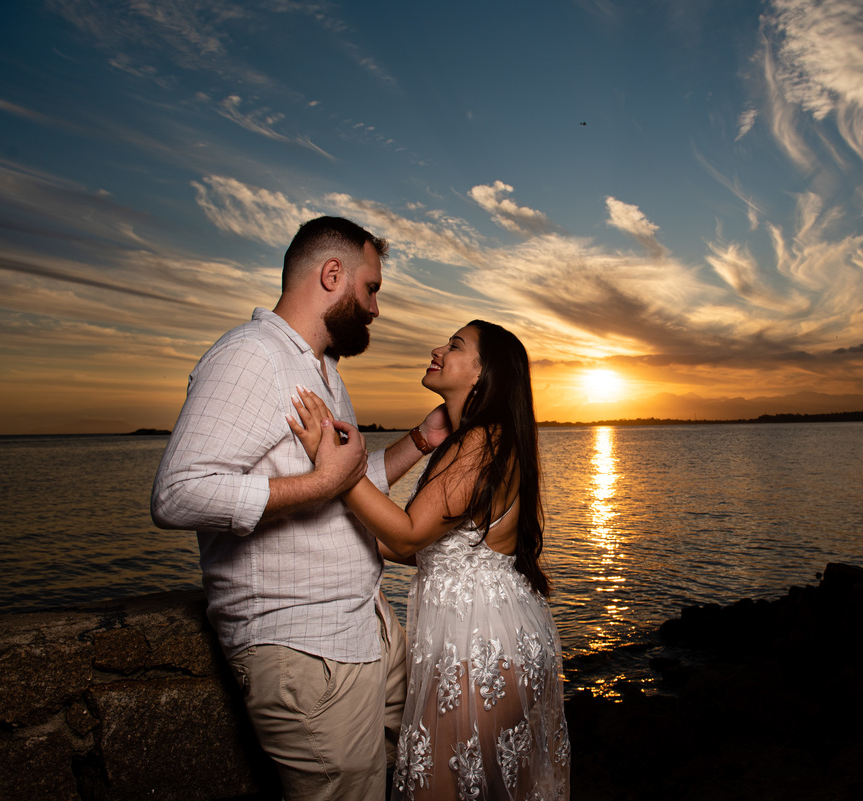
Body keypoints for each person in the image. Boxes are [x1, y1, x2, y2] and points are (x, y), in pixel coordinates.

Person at [151, 216, 450, 801]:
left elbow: (346, 483)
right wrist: (316, 485)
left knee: (407, 776)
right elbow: (177, 493)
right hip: (305, 648)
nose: (375, 308)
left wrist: (420, 440)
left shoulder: (322, 369)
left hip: (363, 629)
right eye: (371, 289)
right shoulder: (251, 356)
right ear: (332, 274)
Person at [288, 321, 570, 801]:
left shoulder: (482, 442)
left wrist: (337, 470)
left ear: (483, 374)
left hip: (480, 643)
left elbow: (407, 532)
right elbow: (404, 546)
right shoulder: (479, 440)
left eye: (455, 345)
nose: (438, 349)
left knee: (437, 787)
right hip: (486, 630)